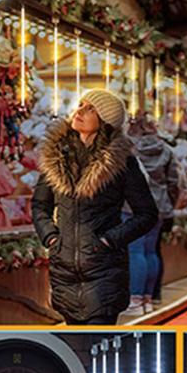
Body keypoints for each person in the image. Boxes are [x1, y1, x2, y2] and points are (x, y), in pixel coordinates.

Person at [32, 89, 159, 325]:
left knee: (97, 342)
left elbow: (147, 214)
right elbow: (40, 205)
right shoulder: (55, 157)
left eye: (90, 108)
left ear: (104, 121)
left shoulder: (121, 162)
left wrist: (109, 241)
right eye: (80, 104)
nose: (79, 110)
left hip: (104, 271)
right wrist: (51, 238)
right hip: (65, 272)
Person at [123, 113, 179, 317]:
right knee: (150, 251)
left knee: (135, 251)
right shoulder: (166, 150)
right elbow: (173, 182)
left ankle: (135, 299)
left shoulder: (129, 148)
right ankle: (148, 298)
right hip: (159, 206)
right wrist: (169, 203)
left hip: (133, 207)